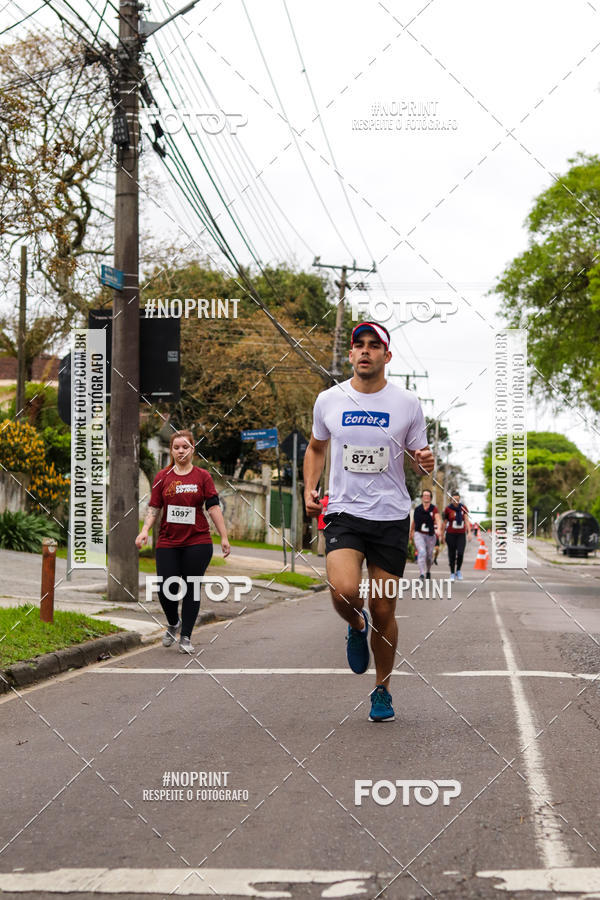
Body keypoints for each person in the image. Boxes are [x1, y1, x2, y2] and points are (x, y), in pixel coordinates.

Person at [303, 321, 435, 723]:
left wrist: (426, 461)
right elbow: (315, 447)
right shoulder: (329, 399)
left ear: (386, 356)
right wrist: (310, 487)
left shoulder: (407, 403)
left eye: (373, 346)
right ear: (350, 356)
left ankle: (382, 689)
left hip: (391, 515)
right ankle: (353, 623)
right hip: (343, 510)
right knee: (344, 591)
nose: (365, 351)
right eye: (358, 345)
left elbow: (421, 457)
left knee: (383, 608)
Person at [135, 430, 231, 653]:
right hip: (168, 540)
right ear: (171, 450)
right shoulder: (162, 477)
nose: (181, 451)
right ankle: (173, 622)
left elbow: (214, 507)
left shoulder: (203, 477)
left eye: (185, 447)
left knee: (191, 587)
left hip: (198, 540)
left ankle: (186, 636)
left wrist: (224, 536)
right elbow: (155, 506)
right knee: (165, 587)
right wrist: (145, 530)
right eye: (176, 447)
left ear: (192, 449)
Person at [409, 489, 442, 580]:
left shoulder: (433, 509)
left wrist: (439, 529)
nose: (426, 497)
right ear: (422, 497)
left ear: (430, 498)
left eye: (428, 495)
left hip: (430, 535)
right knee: (422, 552)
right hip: (419, 533)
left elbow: (438, 519)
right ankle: (422, 573)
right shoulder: (418, 509)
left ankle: (428, 571)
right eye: (424, 495)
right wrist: (411, 532)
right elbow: (414, 522)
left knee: (429, 556)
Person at [443, 490, 470, 581]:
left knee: (461, 553)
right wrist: (442, 534)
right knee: (452, 554)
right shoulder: (448, 509)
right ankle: (452, 573)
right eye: (454, 500)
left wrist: (469, 532)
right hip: (450, 534)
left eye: (457, 500)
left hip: (461, 534)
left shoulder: (463, 508)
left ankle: (458, 570)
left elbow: (466, 520)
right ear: (451, 500)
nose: (456, 501)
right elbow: (445, 522)